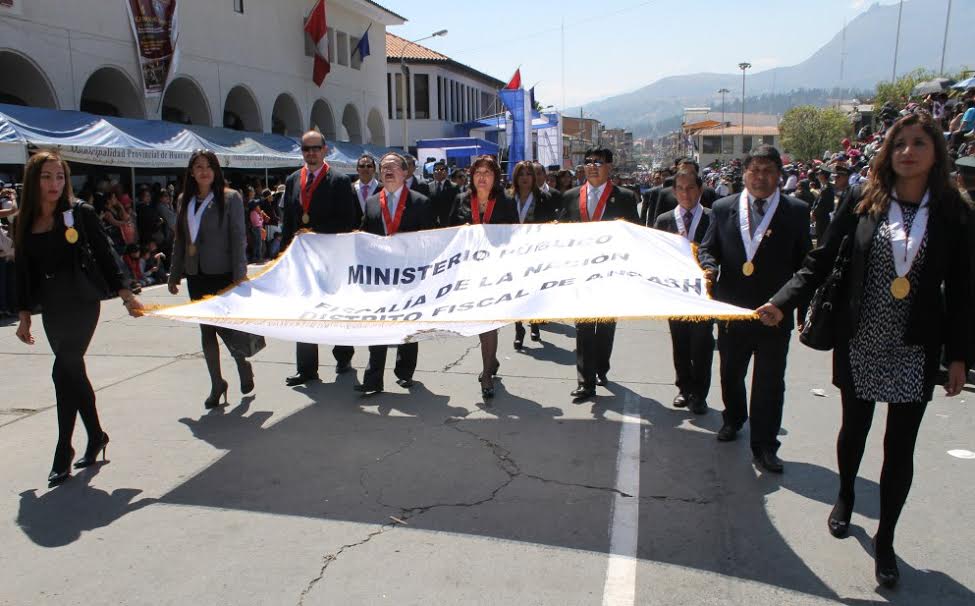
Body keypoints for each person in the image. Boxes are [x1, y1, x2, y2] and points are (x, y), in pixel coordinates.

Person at [758, 113, 971, 588]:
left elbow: (962, 289)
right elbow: (822, 258)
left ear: (936, 151)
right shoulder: (863, 199)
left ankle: (888, 539)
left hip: (916, 345)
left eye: (919, 143)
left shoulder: (953, 210)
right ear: (887, 152)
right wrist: (781, 301)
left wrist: (959, 355)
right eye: (899, 144)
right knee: (854, 429)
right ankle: (847, 495)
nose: (908, 152)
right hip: (861, 337)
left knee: (901, 447)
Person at [14, 151, 143, 486]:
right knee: (73, 372)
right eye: (46, 176)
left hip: (83, 302)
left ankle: (63, 450)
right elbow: (24, 272)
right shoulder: (24, 220)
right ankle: (97, 434)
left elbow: (105, 254)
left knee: (62, 371)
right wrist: (24, 316)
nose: (54, 183)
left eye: (59, 176)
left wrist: (126, 294)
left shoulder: (79, 212)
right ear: (34, 180)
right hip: (52, 308)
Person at [696, 144, 811, 473]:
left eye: (768, 170)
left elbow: (806, 264)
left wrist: (788, 305)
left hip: (774, 313)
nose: (760, 177)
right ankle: (732, 419)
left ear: (778, 175)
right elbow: (709, 248)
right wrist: (709, 268)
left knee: (770, 382)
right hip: (732, 309)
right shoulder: (721, 207)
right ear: (744, 173)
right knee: (731, 371)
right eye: (754, 170)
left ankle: (765, 445)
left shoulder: (797, 211)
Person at [167, 150, 252, 408]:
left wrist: (240, 275)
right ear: (191, 172)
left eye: (208, 166)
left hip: (223, 273)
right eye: (198, 167)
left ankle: (241, 363)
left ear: (216, 171)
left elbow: (238, 238)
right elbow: (180, 239)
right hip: (196, 273)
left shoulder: (230, 198)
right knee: (206, 330)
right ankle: (217, 383)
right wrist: (174, 273)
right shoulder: (184, 200)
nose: (203, 171)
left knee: (227, 328)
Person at [280, 131, 359, 386]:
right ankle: (306, 368)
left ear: (325, 150)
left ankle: (343, 356)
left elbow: (348, 221)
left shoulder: (339, 180)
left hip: (331, 259)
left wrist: (319, 237)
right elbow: (288, 221)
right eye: (306, 149)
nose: (311, 153)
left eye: (316, 148)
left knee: (337, 309)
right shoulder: (293, 180)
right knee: (303, 312)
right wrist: (284, 255)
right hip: (302, 261)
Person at [561, 148, 639, 400]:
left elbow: (635, 234)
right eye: (588, 162)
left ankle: (601, 367)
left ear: (609, 167)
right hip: (581, 274)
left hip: (610, 274)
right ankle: (585, 381)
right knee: (583, 326)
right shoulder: (571, 196)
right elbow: (560, 232)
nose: (592, 166)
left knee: (604, 326)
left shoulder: (624, 197)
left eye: (598, 162)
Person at [356, 152, 436, 394]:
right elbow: (364, 236)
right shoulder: (372, 202)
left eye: (393, 167)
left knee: (407, 326)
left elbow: (431, 240)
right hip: (380, 277)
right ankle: (372, 379)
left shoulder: (420, 202)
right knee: (377, 326)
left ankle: (404, 372)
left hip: (409, 278)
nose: (387, 171)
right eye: (384, 168)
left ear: (405, 172)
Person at [448, 156, 518, 398]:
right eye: (478, 172)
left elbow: (516, 237)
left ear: (495, 177)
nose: (482, 176)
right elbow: (449, 234)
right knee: (481, 323)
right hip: (469, 273)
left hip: (495, 273)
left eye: (487, 172)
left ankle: (486, 375)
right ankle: (492, 359)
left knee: (489, 323)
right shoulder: (460, 200)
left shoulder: (506, 202)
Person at [653, 170, 713, 415]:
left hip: (704, 293)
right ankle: (684, 388)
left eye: (690, 188)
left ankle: (700, 394)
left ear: (699, 190)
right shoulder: (665, 220)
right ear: (674, 191)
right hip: (675, 292)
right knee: (680, 341)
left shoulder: (713, 217)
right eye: (680, 188)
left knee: (702, 343)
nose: (686, 193)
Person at [508, 160, 559, 350]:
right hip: (513, 253)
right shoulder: (508, 197)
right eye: (521, 174)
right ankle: (518, 327)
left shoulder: (544, 198)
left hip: (536, 252)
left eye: (529, 174)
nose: (525, 178)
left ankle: (535, 323)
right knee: (516, 292)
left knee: (534, 290)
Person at [428, 159, 458, 226]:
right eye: (436, 170)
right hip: (432, 224)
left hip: (449, 223)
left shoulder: (454, 187)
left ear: (447, 172)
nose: (438, 171)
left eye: (442, 169)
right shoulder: (428, 186)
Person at [352, 153, 380, 225]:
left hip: (377, 233)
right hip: (354, 233)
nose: (365, 168)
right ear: (357, 169)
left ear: (374, 169)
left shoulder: (383, 189)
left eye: (369, 166)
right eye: (362, 166)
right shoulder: (349, 189)